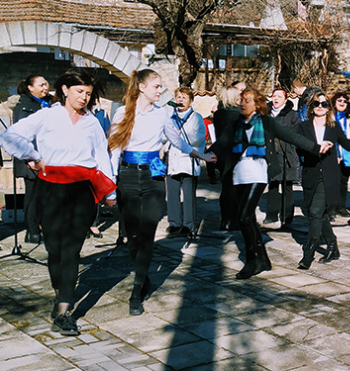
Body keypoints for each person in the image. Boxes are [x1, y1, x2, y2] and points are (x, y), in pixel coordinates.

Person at [0, 68, 116, 336]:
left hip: (82, 192)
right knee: (55, 249)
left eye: (87, 93)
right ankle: (58, 293)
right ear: (65, 90)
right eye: (79, 92)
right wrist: (32, 156)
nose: (84, 97)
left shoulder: (92, 123)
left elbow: (102, 157)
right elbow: (9, 137)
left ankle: (64, 309)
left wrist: (110, 195)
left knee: (72, 250)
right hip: (50, 189)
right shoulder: (47, 115)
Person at [108, 69, 213, 316]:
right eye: (156, 86)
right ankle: (143, 278)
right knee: (132, 236)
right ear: (142, 87)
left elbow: (177, 141)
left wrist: (200, 155)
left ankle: (136, 292)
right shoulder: (122, 113)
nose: (160, 90)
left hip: (154, 176)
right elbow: (113, 150)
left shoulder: (162, 115)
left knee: (147, 233)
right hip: (128, 176)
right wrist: (111, 184)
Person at [211, 88, 328, 279]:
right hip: (239, 174)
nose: (242, 104)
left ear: (257, 105)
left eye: (247, 101)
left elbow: (291, 136)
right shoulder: (236, 122)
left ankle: (252, 262)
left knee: (243, 217)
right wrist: (206, 154)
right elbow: (222, 142)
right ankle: (263, 259)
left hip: (257, 172)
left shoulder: (265, 122)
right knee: (247, 218)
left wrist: (315, 147)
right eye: (241, 100)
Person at [296, 93, 350, 269]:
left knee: (316, 213)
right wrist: (316, 150)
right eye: (316, 103)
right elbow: (299, 150)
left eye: (324, 103)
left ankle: (308, 253)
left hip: (328, 176)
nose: (320, 106)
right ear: (311, 107)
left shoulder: (333, 127)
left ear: (328, 107)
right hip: (310, 174)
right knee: (318, 214)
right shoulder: (303, 127)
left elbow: (349, 145)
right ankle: (333, 246)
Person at [12, 74, 52, 244]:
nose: (45, 87)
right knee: (33, 195)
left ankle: (40, 227)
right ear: (30, 87)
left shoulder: (48, 103)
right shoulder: (24, 105)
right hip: (32, 158)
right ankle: (32, 231)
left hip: (48, 156)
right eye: (41, 85)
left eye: (46, 84)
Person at [165, 87, 206, 236]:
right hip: (174, 160)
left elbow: (199, 137)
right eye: (179, 97)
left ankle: (189, 225)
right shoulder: (171, 117)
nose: (181, 100)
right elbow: (163, 137)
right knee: (173, 194)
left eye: (184, 97)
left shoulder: (197, 117)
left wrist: (179, 135)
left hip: (188, 160)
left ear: (191, 101)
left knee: (188, 196)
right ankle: (174, 224)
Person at [266, 88, 301, 231]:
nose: (276, 99)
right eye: (274, 96)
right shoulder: (265, 113)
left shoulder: (292, 115)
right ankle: (271, 214)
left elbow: (297, 132)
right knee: (273, 185)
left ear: (285, 100)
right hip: (270, 154)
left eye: (279, 96)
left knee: (287, 187)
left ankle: (287, 218)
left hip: (287, 154)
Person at [213, 86, 242, 230]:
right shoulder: (237, 114)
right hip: (236, 154)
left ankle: (225, 220)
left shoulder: (218, 114)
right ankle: (234, 219)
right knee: (236, 190)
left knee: (226, 189)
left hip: (222, 154)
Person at [331, 91, 350, 218]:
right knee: (332, 182)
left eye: (345, 101)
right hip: (333, 154)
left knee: (343, 181)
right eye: (339, 100)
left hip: (347, 155)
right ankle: (331, 208)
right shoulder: (330, 118)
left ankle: (341, 206)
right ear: (334, 103)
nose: (342, 103)